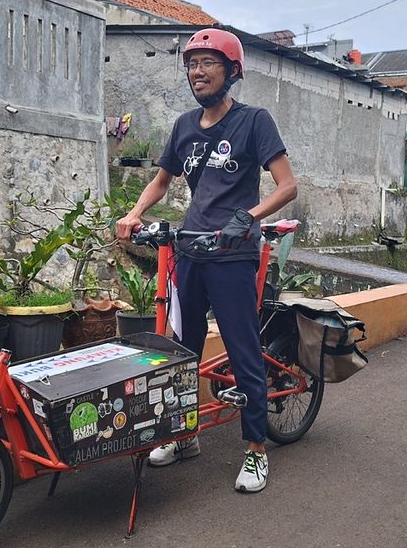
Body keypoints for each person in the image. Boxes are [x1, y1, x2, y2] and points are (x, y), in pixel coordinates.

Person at [115, 28, 297, 493]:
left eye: (208, 62)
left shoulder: (254, 121)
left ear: (231, 71)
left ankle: (256, 451)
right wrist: (135, 213)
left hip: (233, 255)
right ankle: (184, 436)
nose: (197, 71)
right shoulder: (184, 126)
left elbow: (286, 186)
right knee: (183, 351)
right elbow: (161, 180)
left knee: (241, 349)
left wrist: (248, 218)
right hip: (190, 251)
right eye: (192, 64)